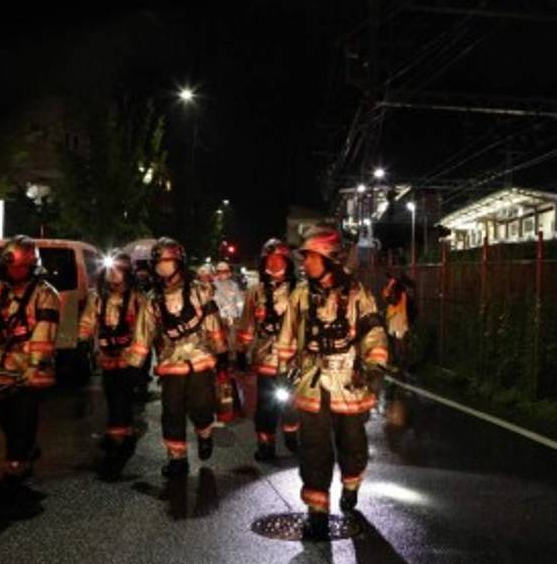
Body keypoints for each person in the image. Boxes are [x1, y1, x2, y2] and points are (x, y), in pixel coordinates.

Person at [277, 226, 389, 539]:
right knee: (313, 449)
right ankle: (317, 512)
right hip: (313, 384)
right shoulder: (300, 295)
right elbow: (287, 337)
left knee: (352, 445)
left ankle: (351, 485)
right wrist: (281, 368)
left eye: (311, 256)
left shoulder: (357, 294)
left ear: (329, 258)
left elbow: (374, 332)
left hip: (349, 383)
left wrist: (375, 365)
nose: (305, 263)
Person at [127, 238, 228, 478]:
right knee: (171, 413)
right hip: (171, 364)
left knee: (202, 408)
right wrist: (133, 367)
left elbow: (213, 324)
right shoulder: (152, 301)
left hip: (201, 359)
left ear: (179, 263)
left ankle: (204, 433)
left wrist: (222, 352)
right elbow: (143, 335)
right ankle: (177, 460)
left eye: (168, 262)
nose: (163, 267)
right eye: (159, 263)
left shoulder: (198, 293)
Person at [0, 236, 61, 495]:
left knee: (23, 420)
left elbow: (45, 333)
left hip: (30, 373)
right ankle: (25, 451)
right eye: (10, 267)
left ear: (32, 265)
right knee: (6, 420)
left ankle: (15, 470)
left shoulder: (45, 295)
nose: (13, 272)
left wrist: (35, 365)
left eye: (19, 267)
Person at [236, 239, 300, 461]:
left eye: (278, 259)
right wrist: (241, 351)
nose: (273, 264)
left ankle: (292, 436)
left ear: (288, 262)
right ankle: (265, 445)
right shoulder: (255, 292)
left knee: (293, 404)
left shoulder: (300, 292)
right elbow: (247, 325)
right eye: (269, 259)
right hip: (265, 359)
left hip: (293, 360)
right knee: (265, 408)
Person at [79, 250, 145, 464]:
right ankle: (121, 433)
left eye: (118, 270)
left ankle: (118, 441)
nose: (114, 275)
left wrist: (141, 356)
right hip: (107, 357)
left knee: (121, 398)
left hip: (129, 357)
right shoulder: (98, 296)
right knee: (111, 395)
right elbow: (88, 321)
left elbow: (145, 327)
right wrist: (82, 341)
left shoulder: (137, 297)